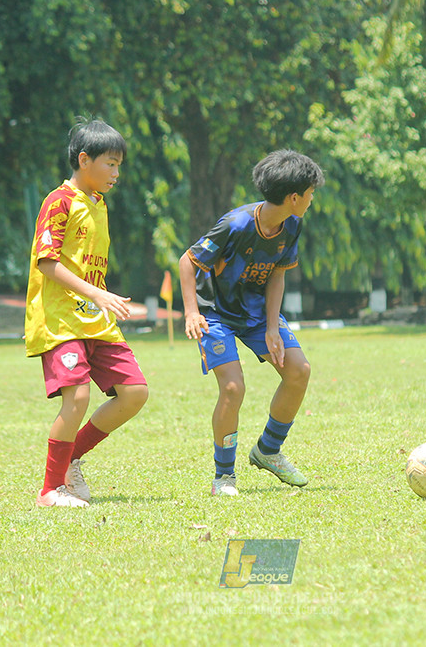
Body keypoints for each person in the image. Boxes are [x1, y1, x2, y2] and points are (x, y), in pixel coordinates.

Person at [178, 149, 324, 497]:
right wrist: (191, 312)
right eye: (310, 193)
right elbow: (188, 260)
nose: (312, 199)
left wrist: (273, 326)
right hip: (215, 314)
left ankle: (268, 450)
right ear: (293, 197)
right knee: (233, 388)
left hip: (257, 314)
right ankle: (224, 477)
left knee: (298, 371)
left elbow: (277, 274)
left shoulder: (293, 224)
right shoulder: (236, 224)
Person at [24, 119, 149, 507]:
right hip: (61, 319)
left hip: (94, 318)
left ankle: (71, 459)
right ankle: (50, 490)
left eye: (118, 165)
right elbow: (47, 262)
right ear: (84, 160)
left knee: (134, 393)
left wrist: (100, 298)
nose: (116, 173)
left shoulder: (99, 204)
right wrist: (98, 293)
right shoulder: (59, 202)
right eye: (110, 163)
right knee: (77, 397)